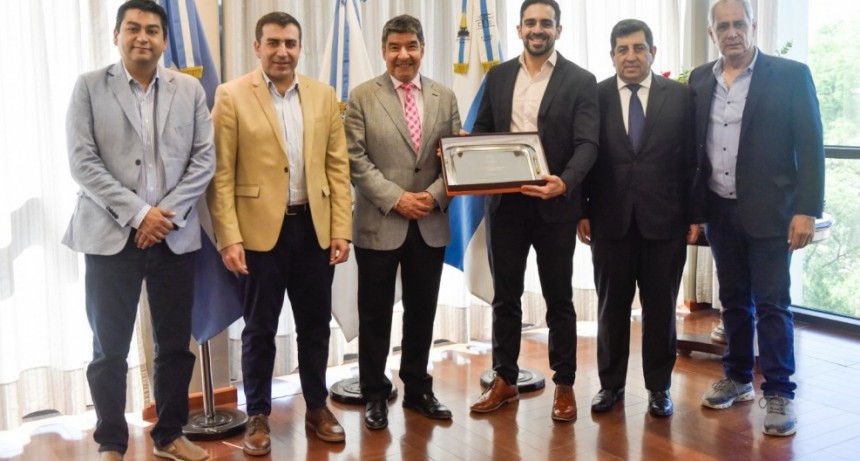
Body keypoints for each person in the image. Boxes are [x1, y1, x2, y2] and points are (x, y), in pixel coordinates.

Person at [63, 1, 214, 460]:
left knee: (174, 345)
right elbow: (82, 162)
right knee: (108, 348)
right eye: (133, 28)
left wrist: (162, 217)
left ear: (165, 40)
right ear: (116, 35)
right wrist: (138, 214)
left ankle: (170, 435)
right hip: (110, 235)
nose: (142, 37)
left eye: (151, 30)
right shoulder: (89, 86)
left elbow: (203, 160)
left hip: (173, 235)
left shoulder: (189, 89)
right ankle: (111, 442)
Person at [206, 11, 353, 453]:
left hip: (314, 230)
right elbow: (220, 175)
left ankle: (317, 407)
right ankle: (257, 416)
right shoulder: (231, 95)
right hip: (257, 236)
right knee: (259, 331)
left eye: (290, 43)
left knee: (315, 327)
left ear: (299, 47)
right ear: (257, 47)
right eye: (273, 42)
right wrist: (229, 237)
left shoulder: (323, 95)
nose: (282, 51)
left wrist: (341, 228)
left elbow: (337, 167)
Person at [691, 0, 824, 436]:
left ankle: (780, 391)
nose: (731, 32)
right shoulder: (699, 80)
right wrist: (694, 211)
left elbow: (811, 147)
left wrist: (806, 210)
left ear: (753, 25)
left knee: (772, 303)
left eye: (738, 24)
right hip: (719, 210)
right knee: (732, 300)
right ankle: (737, 377)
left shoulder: (790, 75)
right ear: (712, 33)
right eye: (722, 26)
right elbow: (694, 151)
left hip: (772, 213)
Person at [468, 0, 599, 422]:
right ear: (519, 28)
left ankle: (565, 384)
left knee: (559, 299)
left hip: (555, 206)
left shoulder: (581, 80)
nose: (537, 29)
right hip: (505, 206)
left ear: (558, 30)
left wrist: (566, 182)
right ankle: (504, 379)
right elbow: (483, 130)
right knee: (505, 297)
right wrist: (467, 156)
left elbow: (588, 144)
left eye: (546, 23)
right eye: (530, 23)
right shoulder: (498, 76)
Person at [577, 19, 702, 418]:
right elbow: (582, 155)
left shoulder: (680, 96)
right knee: (611, 308)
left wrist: (695, 214)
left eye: (638, 48)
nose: (630, 56)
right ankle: (610, 386)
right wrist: (582, 211)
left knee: (661, 308)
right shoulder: (594, 96)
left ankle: (659, 388)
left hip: (665, 222)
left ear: (653, 52)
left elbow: (692, 159)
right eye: (622, 49)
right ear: (612, 55)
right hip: (608, 221)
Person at [344, 14, 461, 431]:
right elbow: (355, 159)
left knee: (422, 313)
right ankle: (375, 393)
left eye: (411, 46)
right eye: (394, 47)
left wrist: (432, 195)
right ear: (384, 51)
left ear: (422, 49)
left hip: (429, 222)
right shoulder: (362, 96)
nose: (403, 54)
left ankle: (417, 390)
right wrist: (397, 198)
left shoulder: (445, 96)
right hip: (380, 222)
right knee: (375, 315)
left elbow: (455, 156)